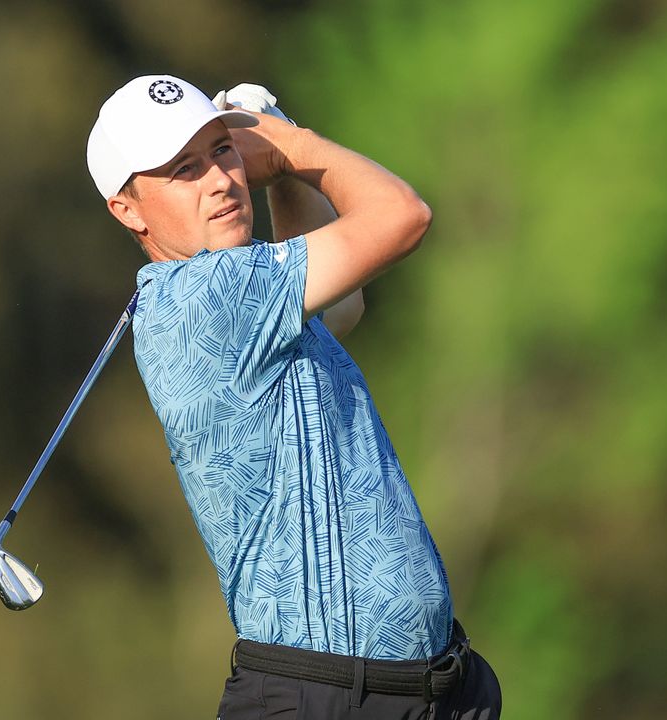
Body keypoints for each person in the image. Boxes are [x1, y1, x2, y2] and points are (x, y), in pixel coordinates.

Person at [86, 74, 502, 719]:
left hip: (430, 689)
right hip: (322, 697)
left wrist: (281, 176)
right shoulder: (203, 297)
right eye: (182, 171)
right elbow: (402, 216)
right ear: (128, 209)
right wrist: (290, 147)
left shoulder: (254, 293)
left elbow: (339, 308)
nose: (220, 180)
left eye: (223, 151)